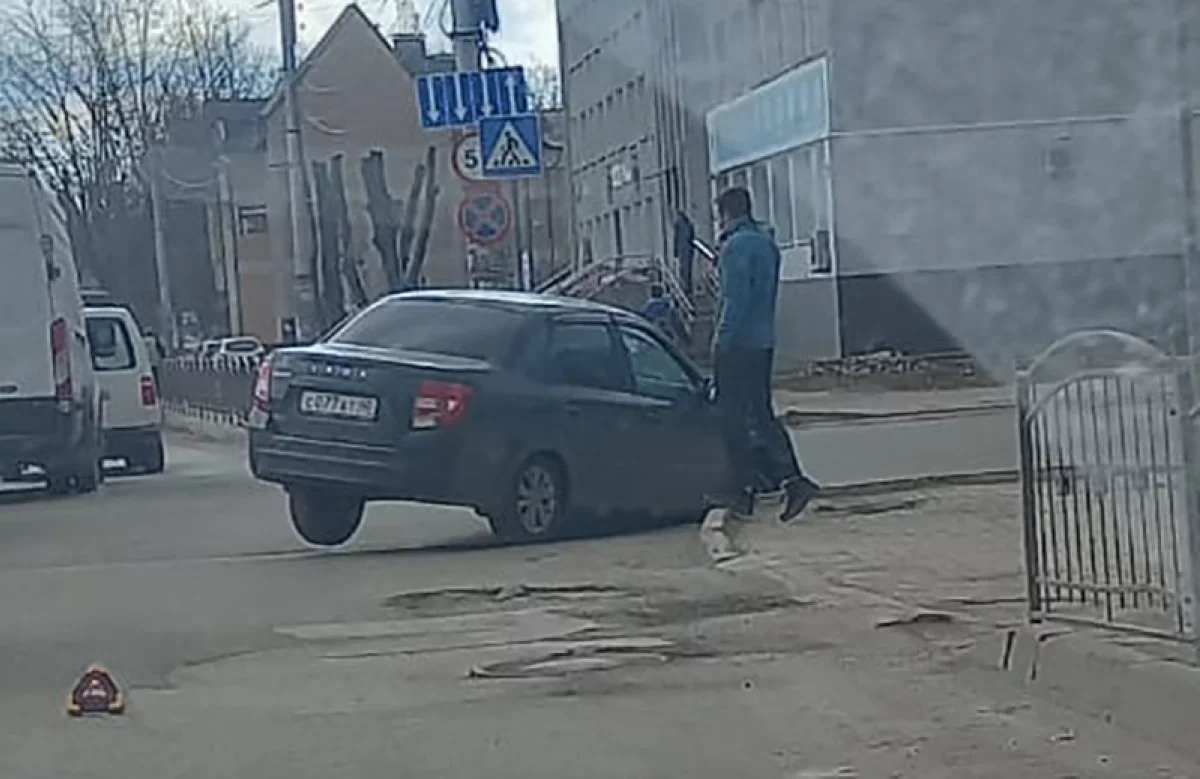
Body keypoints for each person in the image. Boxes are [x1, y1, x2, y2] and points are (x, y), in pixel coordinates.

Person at [710, 186, 820, 521]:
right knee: (760, 413)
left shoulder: (735, 247)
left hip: (738, 344)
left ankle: (741, 489)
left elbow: (735, 300)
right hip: (763, 341)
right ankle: (794, 479)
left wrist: (721, 340)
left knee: (730, 417)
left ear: (726, 213)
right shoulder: (766, 243)